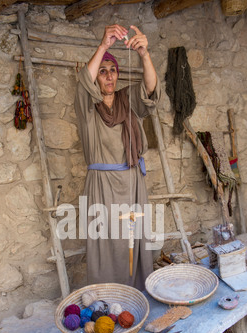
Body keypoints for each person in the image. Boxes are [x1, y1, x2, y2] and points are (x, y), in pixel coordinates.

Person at [74, 24, 161, 291]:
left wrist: (145, 55)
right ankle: (107, 293)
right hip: (102, 186)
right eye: (103, 72)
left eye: (113, 71)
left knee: (134, 241)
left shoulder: (128, 99)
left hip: (133, 182)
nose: (109, 77)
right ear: (96, 79)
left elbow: (150, 90)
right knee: (107, 241)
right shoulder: (88, 107)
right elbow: (83, 83)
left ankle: (137, 292)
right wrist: (103, 46)